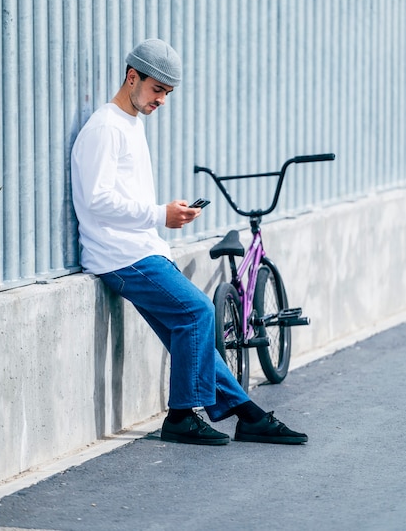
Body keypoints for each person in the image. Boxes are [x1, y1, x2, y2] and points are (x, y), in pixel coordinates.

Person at [71, 39, 308, 446]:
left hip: (143, 251)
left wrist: (163, 219)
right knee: (198, 312)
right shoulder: (106, 128)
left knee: (191, 334)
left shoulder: (131, 124)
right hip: (119, 257)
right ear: (133, 77)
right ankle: (180, 417)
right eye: (157, 89)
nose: (162, 100)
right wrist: (159, 214)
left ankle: (247, 415)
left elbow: (126, 197)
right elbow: (96, 200)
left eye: (168, 93)